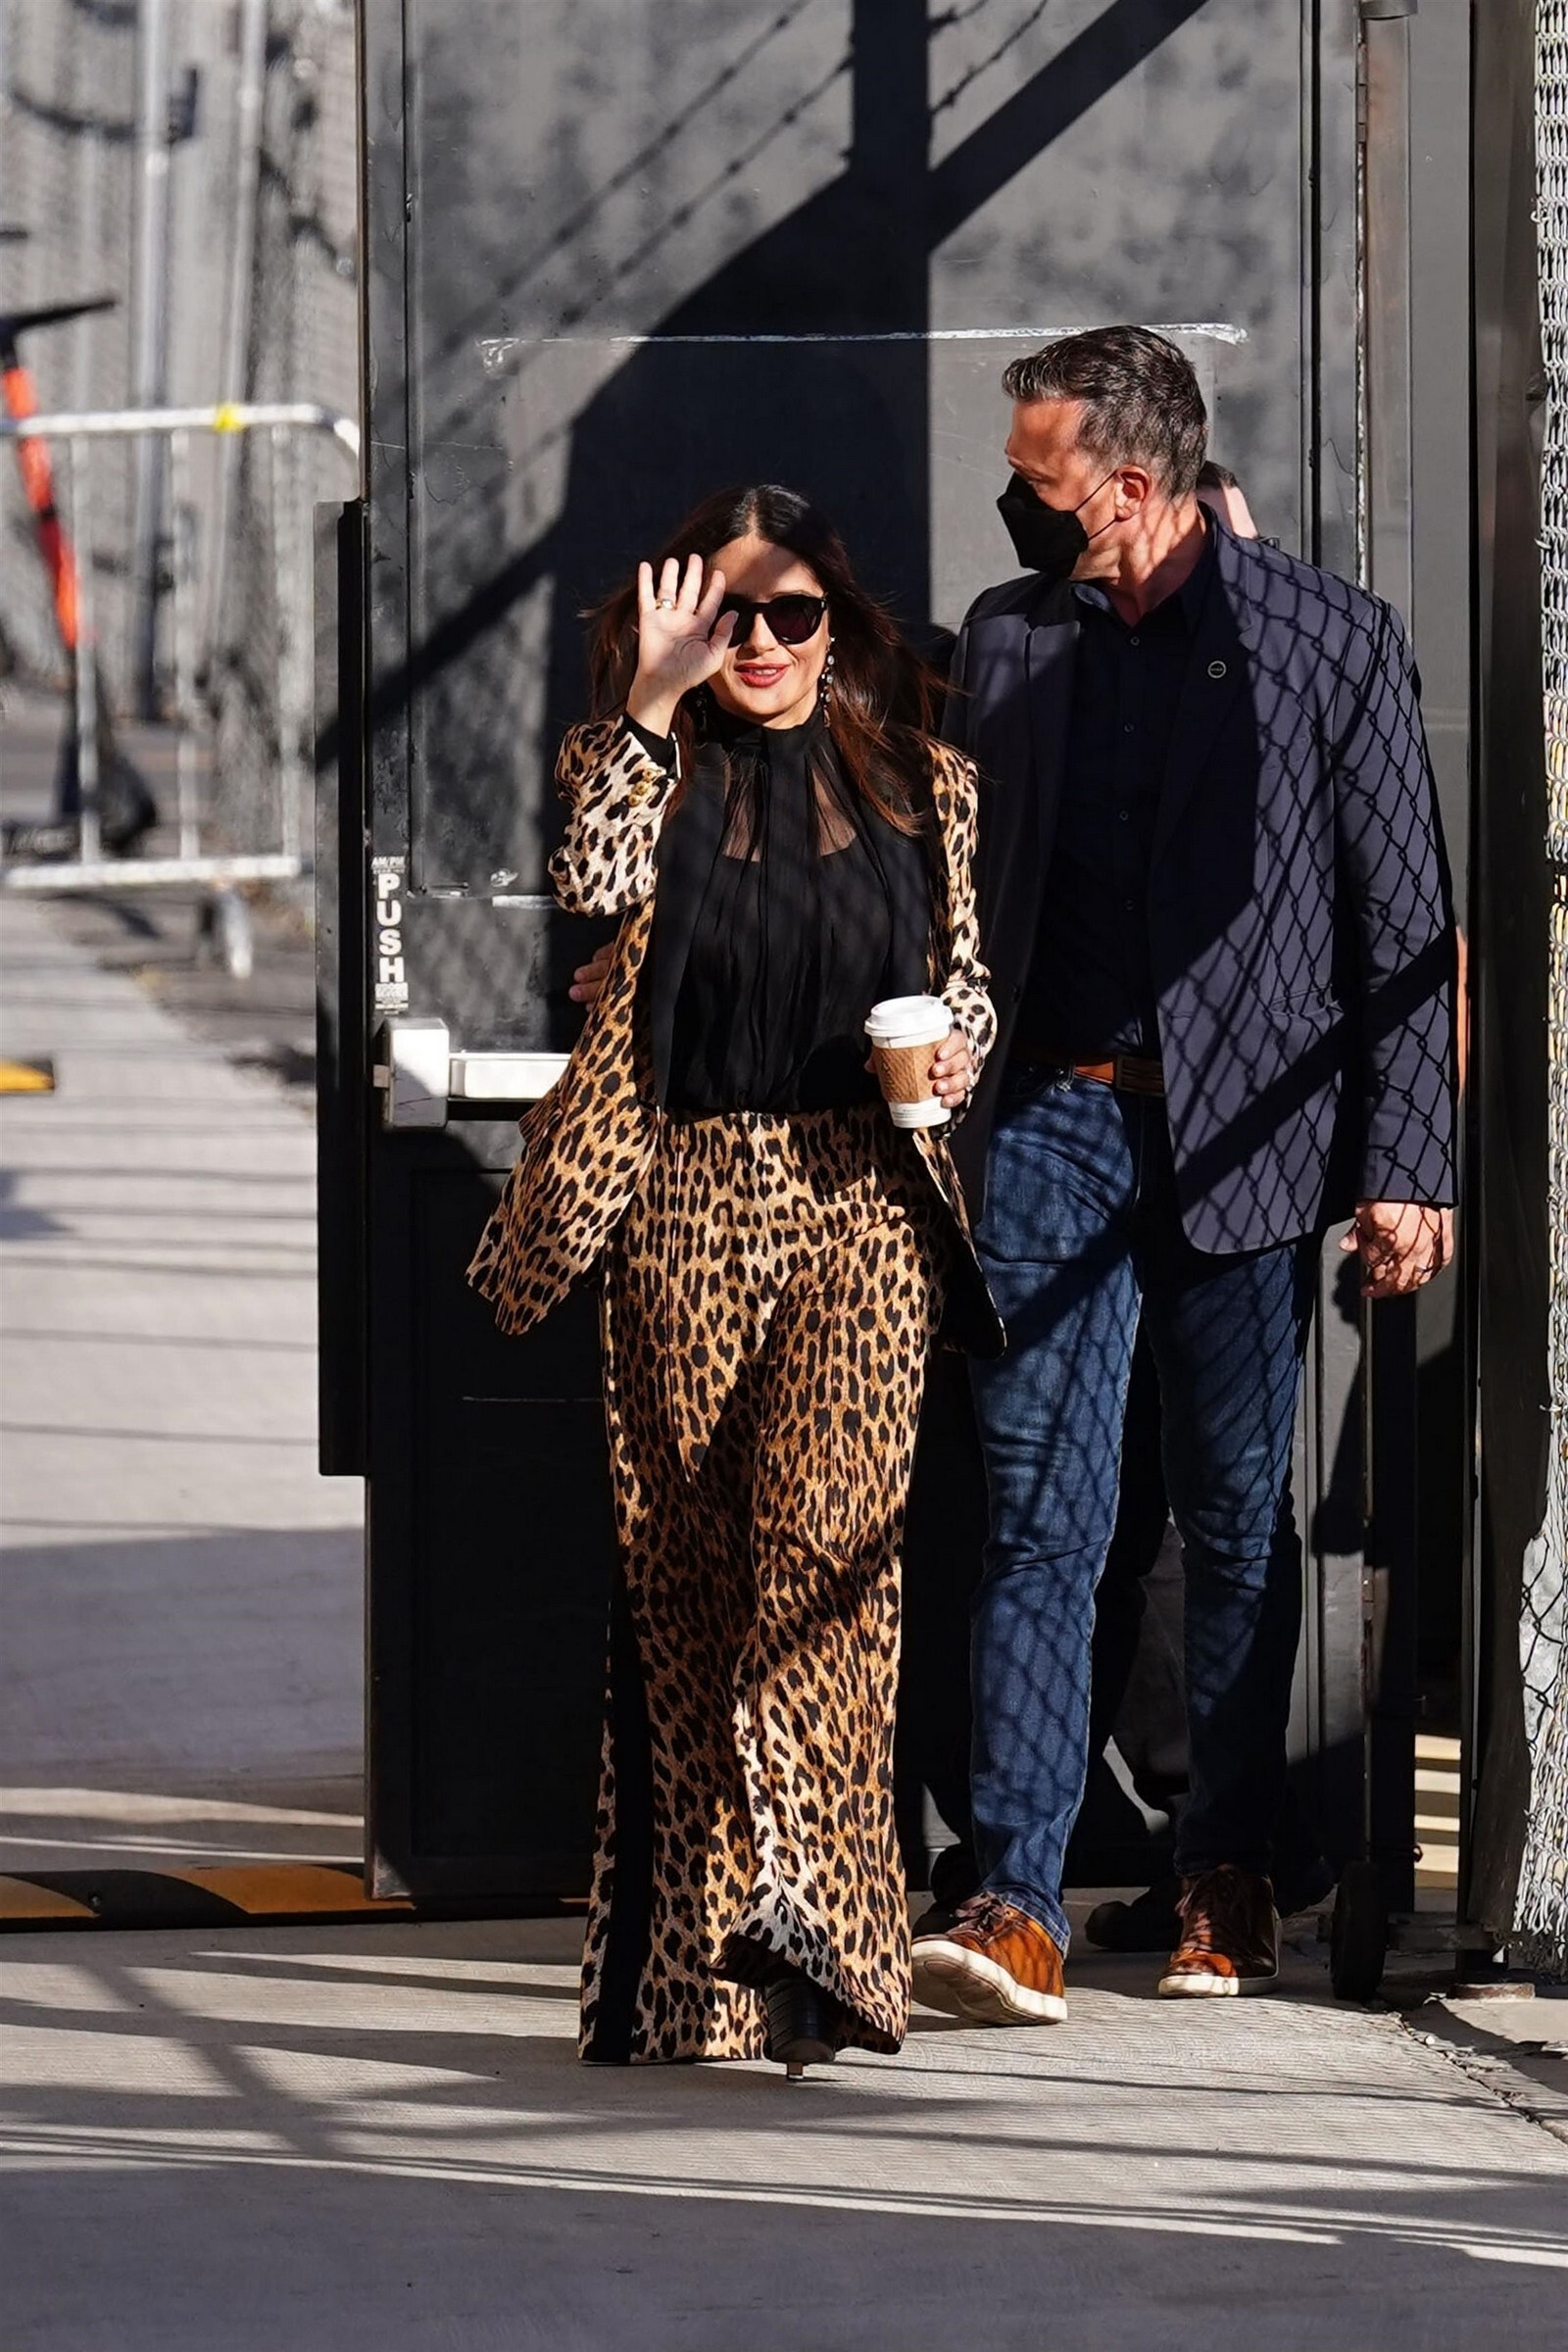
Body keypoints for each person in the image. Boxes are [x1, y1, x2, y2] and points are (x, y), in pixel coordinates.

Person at [908, 325, 1455, 2026]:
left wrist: (1408, 1165)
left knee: (1232, 1518)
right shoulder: (1010, 640)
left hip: (1246, 1146)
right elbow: (951, 880)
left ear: (1135, 487)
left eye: (1042, 480)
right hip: (1054, 1126)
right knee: (1038, 1516)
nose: (1016, 504)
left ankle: (1227, 1869)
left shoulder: (1328, 641)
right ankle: (1015, 1895)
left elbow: (1402, 925)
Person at [468, 483, 1001, 2078]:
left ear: (839, 624)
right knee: (692, 1584)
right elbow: (590, 882)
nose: (761, 643)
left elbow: (967, 978)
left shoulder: (928, 784)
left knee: (829, 1558)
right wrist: (651, 694)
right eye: (732, 616)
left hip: (864, 1200)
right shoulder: (649, 765)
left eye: (792, 615)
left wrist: (958, 1050)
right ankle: (693, 1981)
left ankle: (825, 1939)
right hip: (687, 1197)